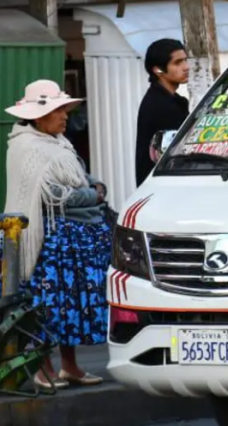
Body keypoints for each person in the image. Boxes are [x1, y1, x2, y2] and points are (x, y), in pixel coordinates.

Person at [3, 79, 111, 389]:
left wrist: (94, 188)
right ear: (38, 116)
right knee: (47, 304)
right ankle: (43, 367)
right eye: (58, 110)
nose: (65, 116)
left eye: (64, 110)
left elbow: (82, 178)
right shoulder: (26, 147)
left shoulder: (61, 143)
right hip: (48, 242)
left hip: (73, 239)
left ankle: (70, 366)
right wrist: (94, 195)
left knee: (71, 303)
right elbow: (54, 195)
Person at [136, 38, 190, 186]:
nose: (186, 67)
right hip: (165, 186)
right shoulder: (161, 104)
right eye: (177, 63)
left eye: (185, 60)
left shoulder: (172, 100)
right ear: (158, 70)